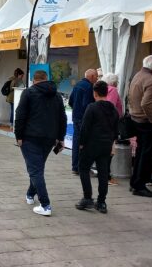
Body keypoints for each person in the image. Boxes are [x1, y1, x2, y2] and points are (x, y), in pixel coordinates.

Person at [15, 70, 66, 216]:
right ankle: (30, 194)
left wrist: (18, 136)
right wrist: (60, 137)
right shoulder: (57, 95)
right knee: (38, 168)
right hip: (49, 138)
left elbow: (20, 115)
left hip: (30, 137)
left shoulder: (29, 93)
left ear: (33, 80)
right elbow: (62, 118)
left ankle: (45, 205)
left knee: (35, 170)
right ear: (46, 79)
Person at [76, 81, 119, 213]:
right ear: (106, 92)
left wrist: (81, 143)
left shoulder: (92, 107)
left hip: (91, 144)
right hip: (106, 145)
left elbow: (85, 128)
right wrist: (112, 143)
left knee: (83, 168)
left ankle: (88, 198)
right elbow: (116, 129)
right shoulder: (113, 109)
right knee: (103, 173)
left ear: (95, 93)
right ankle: (101, 202)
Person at [129, 55, 152, 198]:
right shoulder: (151, 80)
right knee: (146, 155)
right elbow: (146, 103)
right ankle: (139, 186)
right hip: (146, 122)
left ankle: (135, 182)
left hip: (136, 119)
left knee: (140, 153)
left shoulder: (138, 75)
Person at [68, 69, 97, 175]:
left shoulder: (78, 84)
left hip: (76, 117)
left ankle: (75, 167)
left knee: (76, 142)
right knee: (84, 143)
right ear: (92, 76)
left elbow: (71, 101)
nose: (97, 79)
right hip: (83, 119)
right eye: (96, 76)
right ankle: (82, 168)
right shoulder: (89, 87)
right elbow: (87, 105)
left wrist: (76, 109)